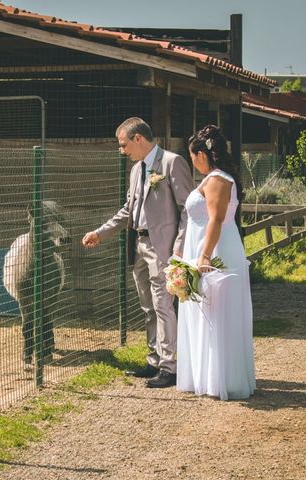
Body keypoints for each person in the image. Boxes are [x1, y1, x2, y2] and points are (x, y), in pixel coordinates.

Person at [82, 117, 193, 388]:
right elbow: (127, 211)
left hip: (163, 248)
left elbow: (188, 210)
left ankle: (170, 366)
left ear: (138, 139)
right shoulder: (136, 171)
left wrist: (178, 249)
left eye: (123, 145)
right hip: (139, 245)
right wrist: (101, 233)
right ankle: (154, 359)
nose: (122, 151)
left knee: (163, 305)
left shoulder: (171, 163)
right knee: (148, 306)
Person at [176, 124, 256, 400]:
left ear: (201, 154)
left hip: (216, 249)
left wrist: (204, 255)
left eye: (191, 156)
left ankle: (224, 379)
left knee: (218, 312)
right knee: (206, 313)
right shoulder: (214, 177)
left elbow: (216, 219)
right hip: (205, 247)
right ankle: (207, 376)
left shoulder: (217, 180)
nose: (192, 162)